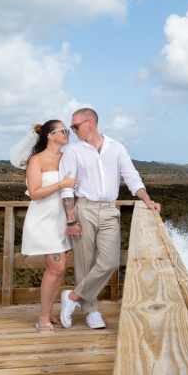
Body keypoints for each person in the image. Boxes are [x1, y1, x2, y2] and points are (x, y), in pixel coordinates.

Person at [58, 107, 161, 329]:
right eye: (72, 127)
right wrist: (70, 219)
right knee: (85, 263)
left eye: (76, 126)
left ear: (90, 123)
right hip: (84, 208)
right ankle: (91, 311)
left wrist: (147, 200)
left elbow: (132, 177)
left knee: (110, 261)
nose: (72, 130)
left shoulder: (117, 147)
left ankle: (73, 297)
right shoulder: (73, 151)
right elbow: (67, 189)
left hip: (108, 210)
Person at [19, 120, 77, 334]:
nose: (68, 133)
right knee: (57, 267)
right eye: (64, 130)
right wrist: (61, 184)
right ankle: (43, 317)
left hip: (61, 219)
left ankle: (49, 312)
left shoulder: (66, 159)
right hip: (44, 219)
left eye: (68, 130)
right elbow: (34, 193)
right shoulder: (37, 160)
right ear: (51, 135)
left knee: (59, 269)